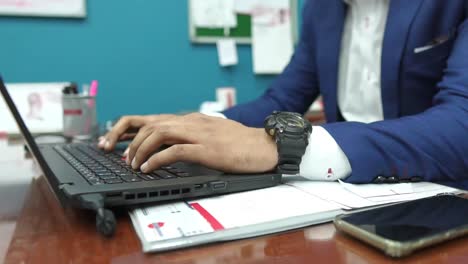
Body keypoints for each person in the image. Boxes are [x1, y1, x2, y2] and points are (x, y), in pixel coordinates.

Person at [98, 0, 468, 189]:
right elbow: (282, 99)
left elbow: (461, 122)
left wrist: (288, 147)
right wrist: (197, 126)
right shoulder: (321, 10)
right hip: (342, 198)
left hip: (439, 203)